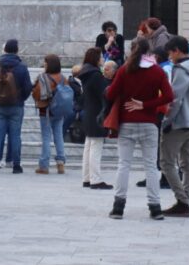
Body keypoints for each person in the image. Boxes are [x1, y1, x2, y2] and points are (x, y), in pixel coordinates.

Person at [104, 38, 174, 220]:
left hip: (126, 121)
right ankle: (155, 207)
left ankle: (118, 206)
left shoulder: (124, 69)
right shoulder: (157, 71)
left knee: (124, 165)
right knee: (151, 166)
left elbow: (111, 94)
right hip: (149, 122)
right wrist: (145, 104)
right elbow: (169, 96)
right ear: (149, 51)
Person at [159, 36, 189, 217]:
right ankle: (185, 197)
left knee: (166, 162)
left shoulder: (181, 70)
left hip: (179, 123)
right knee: (187, 163)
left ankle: (182, 201)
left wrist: (166, 121)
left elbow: (175, 99)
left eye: (170, 53)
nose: (170, 58)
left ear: (177, 51)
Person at [0, 38, 32, 174]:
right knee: (15, 136)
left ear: (4, 50)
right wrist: (21, 98)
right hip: (16, 106)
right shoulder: (22, 67)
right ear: (17, 50)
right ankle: (16, 165)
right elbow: (28, 87)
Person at [76, 48, 111, 189]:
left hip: (89, 112)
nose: (103, 59)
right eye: (101, 57)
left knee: (89, 146)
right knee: (95, 146)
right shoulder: (96, 75)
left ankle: (87, 177)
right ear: (96, 58)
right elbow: (104, 94)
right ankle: (95, 179)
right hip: (97, 114)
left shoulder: (86, 73)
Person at [32, 54, 68, 175]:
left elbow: (36, 94)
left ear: (49, 64)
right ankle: (61, 163)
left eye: (45, 62)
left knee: (46, 137)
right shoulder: (63, 78)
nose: (44, 64)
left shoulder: (43, 77)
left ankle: (44, 165)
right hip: (59, 111)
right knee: (59, 136)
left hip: (45, 110)